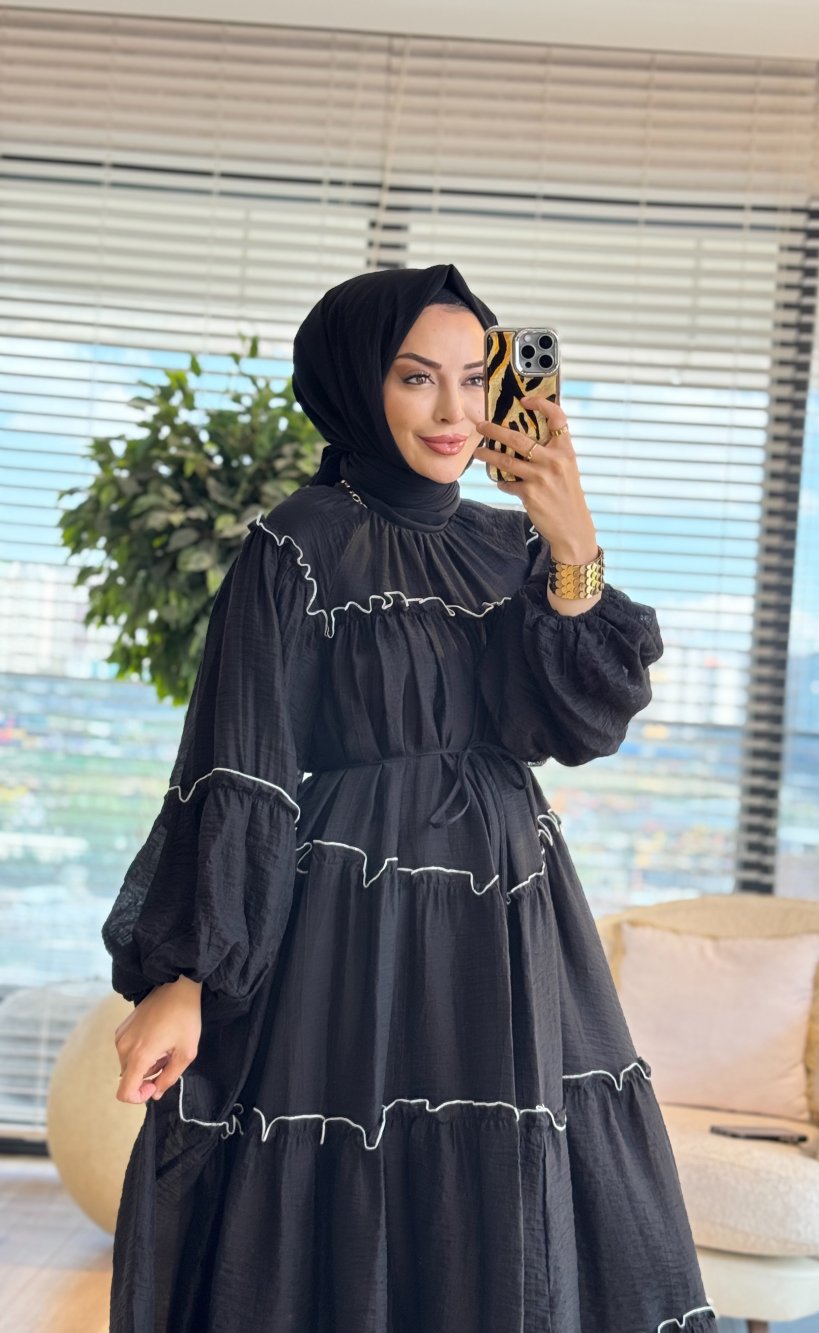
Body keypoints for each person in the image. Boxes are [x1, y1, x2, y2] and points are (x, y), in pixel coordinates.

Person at [101, 263, 718, 1333]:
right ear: (358, 381)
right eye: (417, 377)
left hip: (511, 917)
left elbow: (581, 725)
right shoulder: (297, 541)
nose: (454, 411)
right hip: (350, 926)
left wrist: (571, 539)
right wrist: (189, 976)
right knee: (350, 1188)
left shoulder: (511, 544)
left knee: (520, 1193)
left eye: (476, 379)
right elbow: (241, 763)